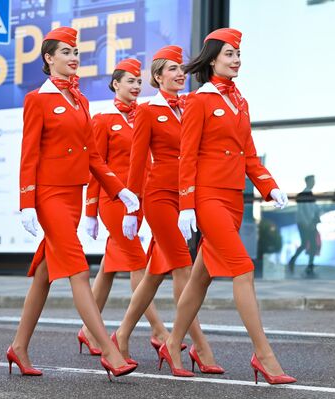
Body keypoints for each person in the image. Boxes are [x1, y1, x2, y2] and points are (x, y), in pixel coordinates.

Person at [165, 28, 296, 385]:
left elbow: (248, 154)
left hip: (233, 198)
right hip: (207, 198)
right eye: (229, 54)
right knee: (243, 268)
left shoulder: (240, 100)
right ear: (212, 60)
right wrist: (187, 204)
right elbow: (186, 156)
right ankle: (264, 355)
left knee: (201, 276)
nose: (236, 60)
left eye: (238, 54)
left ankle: (173, 343)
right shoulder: (199, 100)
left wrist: (269, 186)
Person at [10, 27, 139, 381]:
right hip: (48, 195)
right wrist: (26, 202)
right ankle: (110, 352)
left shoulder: (80, 100)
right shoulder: (38, 99)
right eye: (65, 52)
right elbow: (28, 154)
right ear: (49, 58)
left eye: (76, 51)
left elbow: (94, 156)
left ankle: (18, 347)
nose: (74, 57)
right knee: (79, 270)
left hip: (73, 195)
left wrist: (119, 190)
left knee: (44, 274)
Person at [115, 45, 221, 376]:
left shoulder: (192, 104)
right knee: (183, 267)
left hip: (188, 197)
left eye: (181, 69)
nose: (179, 74)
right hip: (159, 197)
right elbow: (136, 163)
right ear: (158, 77)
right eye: (172, 69)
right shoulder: (147, 111)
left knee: (153, 274)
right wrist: (132, 208)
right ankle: (196, 346)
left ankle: (120, 337)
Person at [79, 59, 173, 357]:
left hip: (142, 199)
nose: (135, 86)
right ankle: (159, 331)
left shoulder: (144, 115)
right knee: (137, 263)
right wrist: (91, 210)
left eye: (138, 82)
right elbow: (96, 166)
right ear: (115, 84)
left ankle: (87, 331)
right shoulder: (103, 119)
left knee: (109, 267)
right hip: (114, 201)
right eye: (129, 81)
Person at [288, 175, 321, 276]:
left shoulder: (311, 194)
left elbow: (314, 210)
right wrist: (308, 223)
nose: (313, 182)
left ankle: (309, 266)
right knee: (305, 244)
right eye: (312, 180)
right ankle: (294, 261)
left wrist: (313, 221)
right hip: (304, 224)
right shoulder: (303, 194)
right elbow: (302, 211)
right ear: (307, 182)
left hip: (310, 224)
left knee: (312, 244)